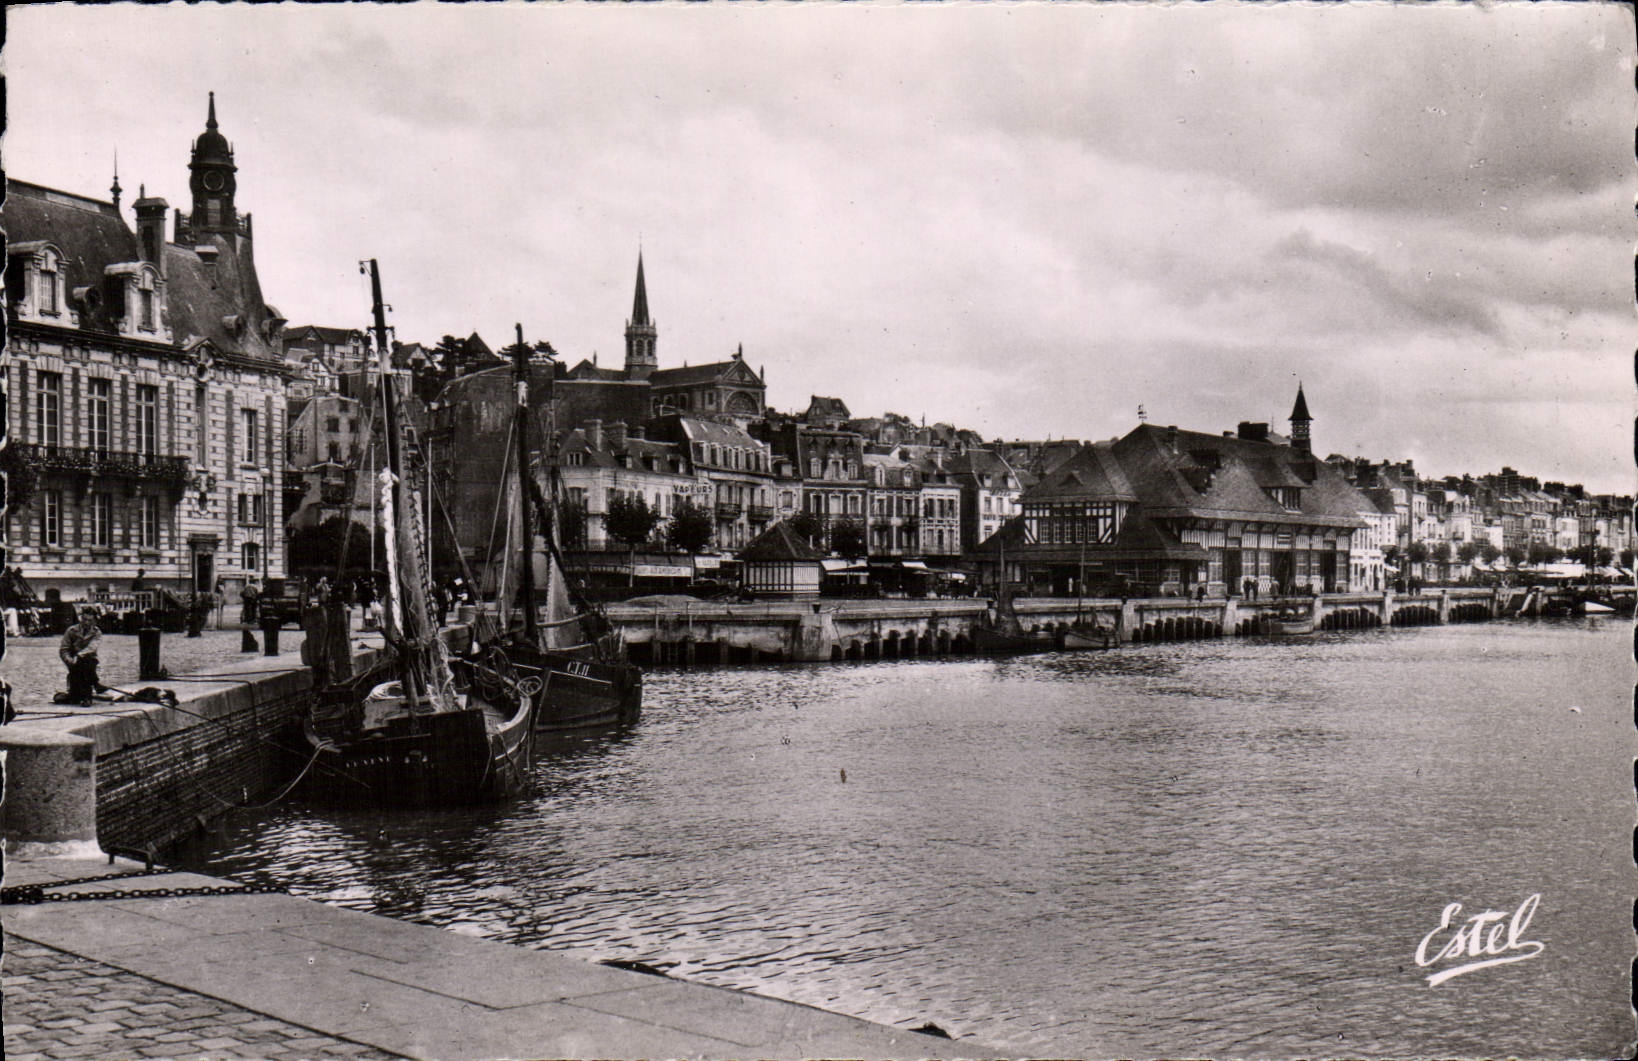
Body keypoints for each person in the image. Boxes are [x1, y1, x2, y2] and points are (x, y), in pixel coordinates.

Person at [59, 608, 104, 705]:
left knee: (85, 663)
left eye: (90, 620)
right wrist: (69, 660)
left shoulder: (97, 632)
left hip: (90, 660)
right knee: (75, 697)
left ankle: (86, 696)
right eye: (84, 619)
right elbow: (64, 649)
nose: (86, 622)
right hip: (73, 662)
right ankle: (95, 684)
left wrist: (79, 656)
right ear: (81, 618)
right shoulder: (71, 631)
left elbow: (92, 647)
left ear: (94, 621)